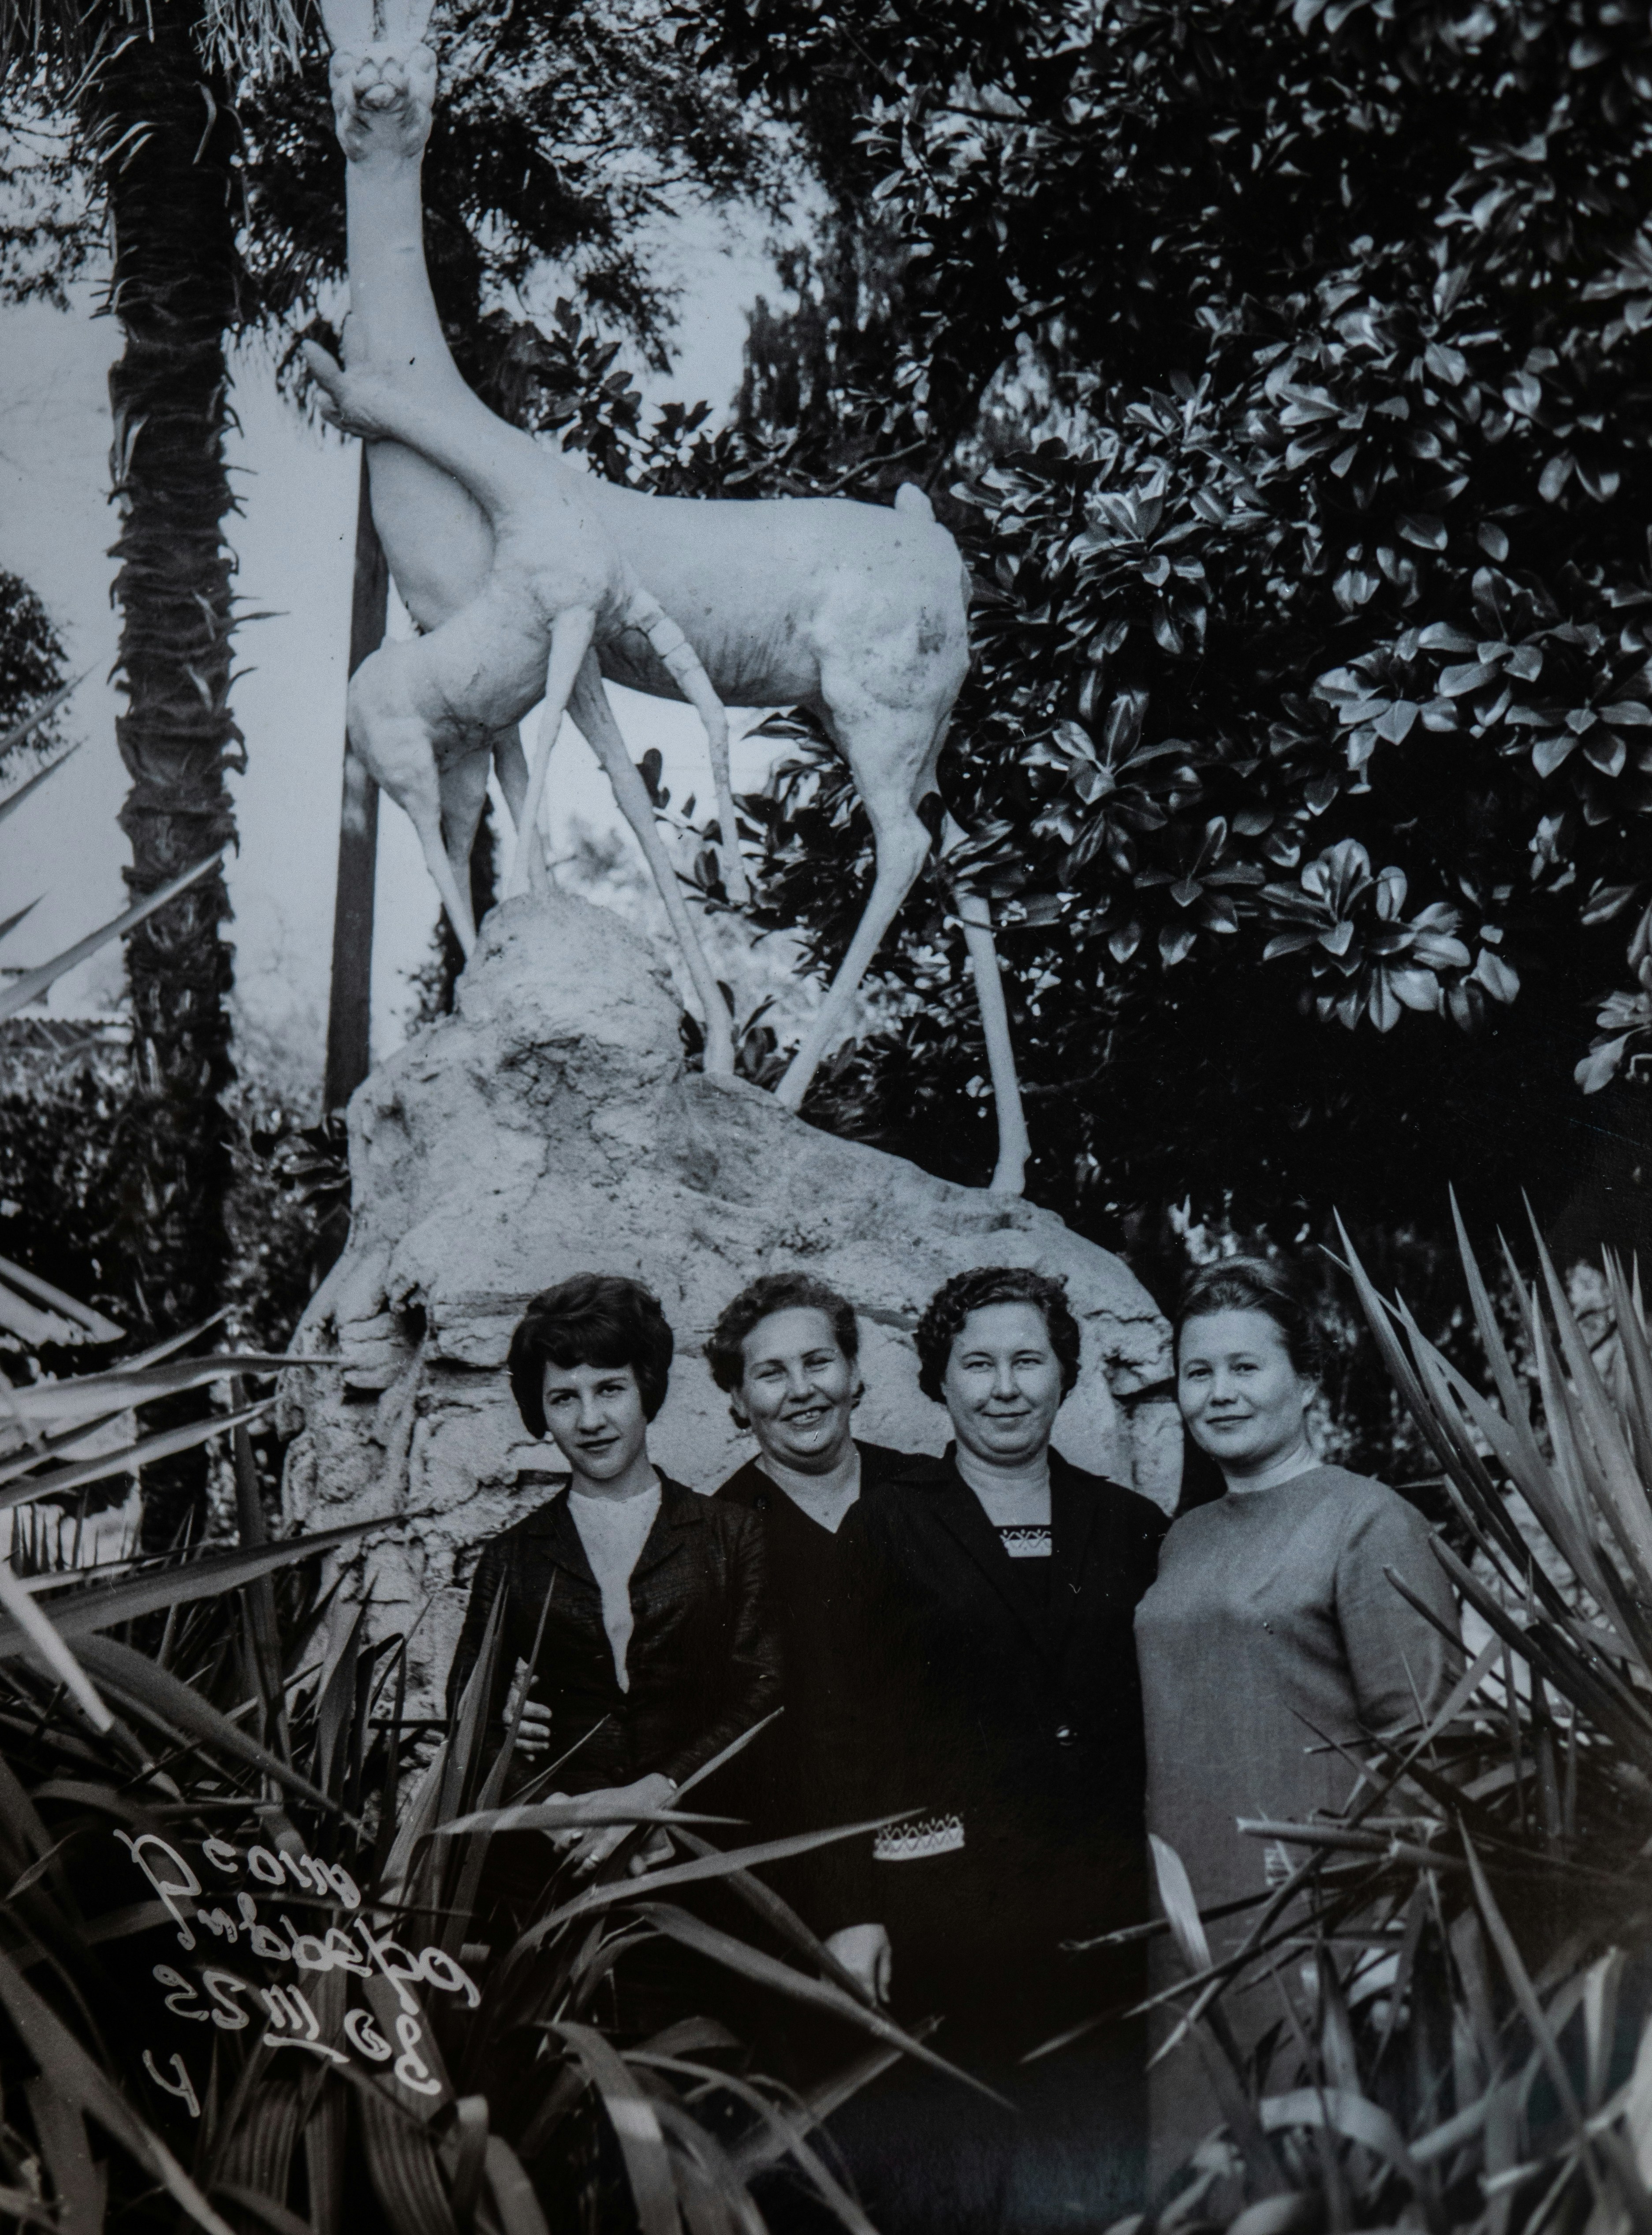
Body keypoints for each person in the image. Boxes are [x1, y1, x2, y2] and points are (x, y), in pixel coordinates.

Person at [835, 1264, 1168, 2235]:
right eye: (976, 1364)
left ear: (1066, 1376)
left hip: (1101, 1921)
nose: (1005, 1387)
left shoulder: (1130, 1526)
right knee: (952, 2189)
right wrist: (857, 1912)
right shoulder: (888, 1524)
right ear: (937, 1381)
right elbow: (847, 1729)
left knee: (1086, 2185)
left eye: (1029, 1360)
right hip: (949, 1924)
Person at [1134, 1255, 1460, 2185]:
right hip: (1191, 1928)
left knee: (1317, 2183)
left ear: (1305, 1381)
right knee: (1204, 2183)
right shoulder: (1183, 1536)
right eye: (1197, 1372)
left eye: (1245, 1367)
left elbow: (1427, 1746)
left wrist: (1387, 1946)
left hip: (1316, 1924)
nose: (1218, 1393)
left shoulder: (1367, 1521)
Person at [445, 1273, 779, 1934]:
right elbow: (470, 1716)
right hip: (547, 1879)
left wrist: (654, 1797)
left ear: (646, 1388)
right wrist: (561, 1817)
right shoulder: (512, 1557)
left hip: (696, 1864)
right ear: (540, 1411)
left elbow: (764, 1692)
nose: (591, 1420)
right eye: (564, 1398)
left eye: (610, 1389)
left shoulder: (731, 1534)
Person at [708, 1271, 912, 2001]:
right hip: (804, 1902)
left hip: (949, 1873)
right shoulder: (716, 1539)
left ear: (854, 1373)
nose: (801, 1389)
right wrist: (842, 1906)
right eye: (770, 1372)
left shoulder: (932, 1496)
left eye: (818, 1362)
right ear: (738, 1400)